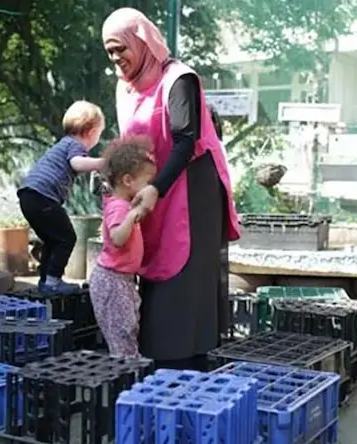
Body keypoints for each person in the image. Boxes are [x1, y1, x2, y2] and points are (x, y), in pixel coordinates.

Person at [101, 8, 241, 370]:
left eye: (121, 48)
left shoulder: (178, 80)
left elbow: (185, 140)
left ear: (142, 41)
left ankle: (185, 359)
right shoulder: (126, 87)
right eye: (110, 52)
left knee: (183, 267)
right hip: (153, 184)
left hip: (190, 184)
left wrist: (155, 189)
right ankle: (156, 355)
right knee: (151, 259)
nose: (117, 58)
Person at [18, 100, 106, 294]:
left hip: (29, 197)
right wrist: (104, 163)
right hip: (42, 196)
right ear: (91, 132)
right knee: (67, 237)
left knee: (54, 239)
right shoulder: (75, 145)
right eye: (99, 134)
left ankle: (46, 281)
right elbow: (77, 164)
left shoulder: (64, 143)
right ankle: (52, 281)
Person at [88, 136, 156, 356]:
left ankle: (128, 371)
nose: (150, 188)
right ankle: (126, 376)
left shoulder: (122, 204)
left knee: (127, 328)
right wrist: (132, 216)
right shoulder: (119, 207)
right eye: (147, 182)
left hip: (121, 280)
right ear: (128, 180)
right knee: (122, 333)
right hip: (112, 281)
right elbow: (117, 237)